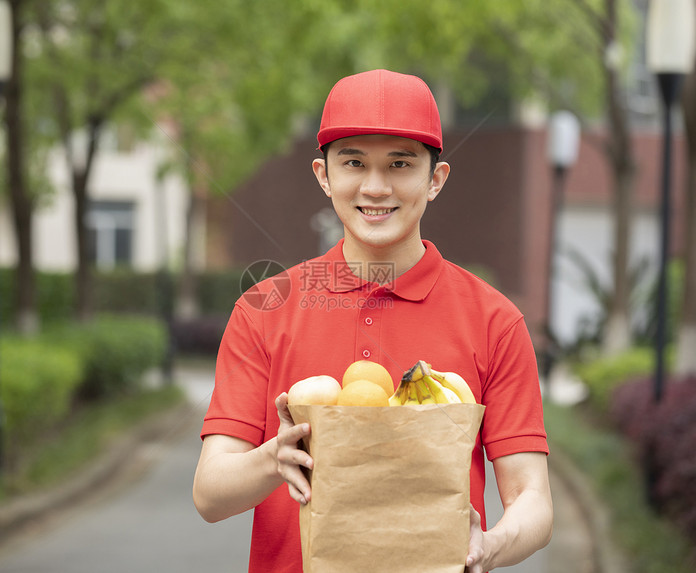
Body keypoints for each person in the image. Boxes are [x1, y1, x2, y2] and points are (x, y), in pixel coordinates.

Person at [193, 68, 553, 573]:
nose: (376, 186)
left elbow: (533, 499)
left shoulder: (495, 320)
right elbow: (210, 494)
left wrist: (488, 548)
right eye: (354, 162)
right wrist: (272, 459)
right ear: (324, 176)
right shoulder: (263, 309)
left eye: (400, 164)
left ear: (436, 179)